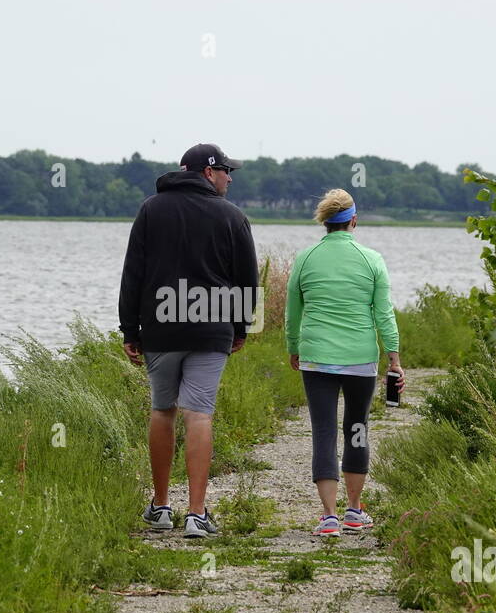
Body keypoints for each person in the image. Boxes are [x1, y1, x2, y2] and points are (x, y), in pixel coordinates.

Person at [119, 143, 258, 538]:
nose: (230, 178)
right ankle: (197, 515)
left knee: (163, 410)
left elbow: (134, 272)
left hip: (162, 325)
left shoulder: (151, 209)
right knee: (199, 413)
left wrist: (129, 329)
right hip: (211, 326)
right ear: (207, 172)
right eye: (226, 171)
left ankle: (161, 507)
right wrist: (240, 327)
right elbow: (247, 277)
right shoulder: (232, 216)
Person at [285, 188, 404, 536]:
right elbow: (384, 314)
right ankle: (354, 511)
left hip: (316, 357)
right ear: (353, 220)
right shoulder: (372, 260)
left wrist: (294, 348)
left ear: (325, 222)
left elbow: (294, 313)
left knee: (323, 431)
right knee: (356, 428)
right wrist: (394, 358)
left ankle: (329, 516)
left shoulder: (306, 259)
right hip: (360, 359)